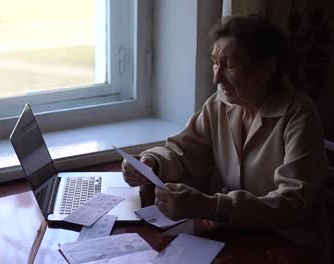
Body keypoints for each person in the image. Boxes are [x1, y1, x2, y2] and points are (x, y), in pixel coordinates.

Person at [122, 15, 330, 257]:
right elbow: (183, 151)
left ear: (268, 69)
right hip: (235, 233)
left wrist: (212, 205)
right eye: (215, 63)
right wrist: (151, 162)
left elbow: (292, 204)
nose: (216, 78)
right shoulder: (220, 105)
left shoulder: (299, 115)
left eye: (229, 65)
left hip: (289, 242)